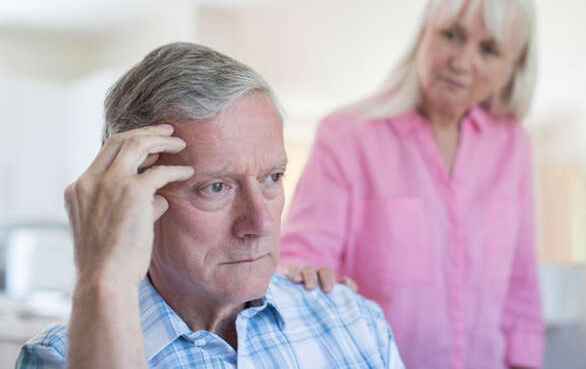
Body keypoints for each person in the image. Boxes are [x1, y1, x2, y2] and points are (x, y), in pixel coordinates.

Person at [16, 42, 404, 369]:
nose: (260, 222)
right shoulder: (60, 358)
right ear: (132, 199)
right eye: (215, 187)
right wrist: (105, 276)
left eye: (272, 177)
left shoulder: (352, 321)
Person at [280, 0, 544, 369]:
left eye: (489, 50)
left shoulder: (513, 146)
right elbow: (302, 265)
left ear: (513, 67)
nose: (462, 62)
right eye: (451, 34)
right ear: (425, 32)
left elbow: (521, 286)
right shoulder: (346, 136)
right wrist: (302, 277)